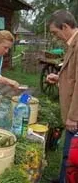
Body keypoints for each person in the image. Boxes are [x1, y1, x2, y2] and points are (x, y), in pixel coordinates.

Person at [46, 10, 78, 183]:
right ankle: (62, 179)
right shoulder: (72, 44)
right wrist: (60, 78)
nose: (55, 37)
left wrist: (73, 116)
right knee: (67, 153)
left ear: (65, 27)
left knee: (73, 157)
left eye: (55, 32)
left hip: (76, 116)